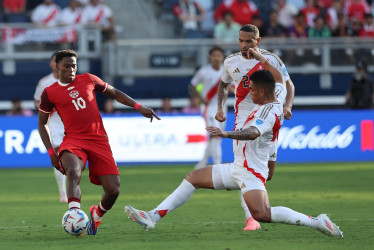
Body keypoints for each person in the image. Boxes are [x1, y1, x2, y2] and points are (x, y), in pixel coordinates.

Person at [124, 47, 343, 238]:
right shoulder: (276, 90)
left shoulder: (268, 111)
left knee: (263, 214)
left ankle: (316, 221)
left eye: (253, 90)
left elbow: (252, 133)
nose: (250, 94)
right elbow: (279, 78)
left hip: (250, 171)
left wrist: (226, 134)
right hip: (238, 166)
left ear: (263, 91)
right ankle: (153, 216)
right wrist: (263, 60)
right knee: (192, 178)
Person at [38, 49, 160, 235]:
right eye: (67, 66)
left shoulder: (88, 79)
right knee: (73, 170)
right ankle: (74, 213)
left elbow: (115, 93)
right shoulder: (50, 92)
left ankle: (96, 215)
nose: (71, 69)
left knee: (113, 190)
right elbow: (42, 123)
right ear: (57, 67)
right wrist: (51, 152)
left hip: (98, 140)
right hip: (73, 139)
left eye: (74, 66)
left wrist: (138, 106)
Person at [214, 24, 295, 231]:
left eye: (248, 41)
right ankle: (251, 218)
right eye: (240, 41)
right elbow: (223, 85)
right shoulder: (231, 61)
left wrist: (287, 106)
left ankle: (245, 191)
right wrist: (220, 107)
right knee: (245, 169)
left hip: (268, 118)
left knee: (267, 173)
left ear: (257, 42)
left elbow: (288, 84)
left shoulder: (271, 60)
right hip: (243, 121)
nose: (243, 45)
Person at [34, 52, 68, 203]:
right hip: (53, 123)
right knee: (58, 154)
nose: (56, 64)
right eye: (54, 61)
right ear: (51, 64)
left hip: (70, 122)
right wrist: (45, 109)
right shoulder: (44, 82)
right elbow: (36, 101)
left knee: (72, 157)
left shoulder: (71, 80)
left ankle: (71, 188)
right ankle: (63, 192)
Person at [189, 46, 226, 170]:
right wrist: (200, 98)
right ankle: (217, 165)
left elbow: (230, 88)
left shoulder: (226, 72)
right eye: (214, 55)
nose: (216, 58)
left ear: (222, 58)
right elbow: (192, 85)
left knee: (216, 137)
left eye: (219, 55)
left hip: (222, 107)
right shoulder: (204, 71)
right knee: (216, 134)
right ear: (210, 57)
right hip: (208, 107)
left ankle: (202, 162)